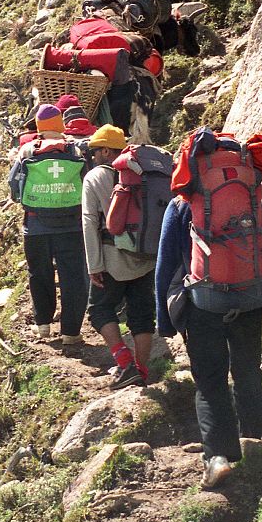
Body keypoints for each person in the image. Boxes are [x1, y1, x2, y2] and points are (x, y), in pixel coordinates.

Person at [155, 128, 262, 489]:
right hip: (251, 296)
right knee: (249, 370)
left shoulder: (182, 204)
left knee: (209, 381)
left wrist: (165, 320)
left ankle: (218, 457)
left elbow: (165, 265)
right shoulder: (252, 201)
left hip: (204, 301)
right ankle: (253, 439)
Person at [81, 125, 160, 389]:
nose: (92, 156)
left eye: (95, 151)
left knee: (99, 310)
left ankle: (125, 364)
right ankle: (142, 371)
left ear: (106, 150)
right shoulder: (143, 172)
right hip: (146, 256)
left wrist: (94, 264)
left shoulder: (95, 177)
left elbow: (89, 222)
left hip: (111, 258)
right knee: (143, 315)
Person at [6, 104, 89, 346]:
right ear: (61, 125)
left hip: (36, 226)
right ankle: (71, 332)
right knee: (73, 277)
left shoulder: (27, 151)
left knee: (39, 274)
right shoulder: (75, 151)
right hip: (71, 226)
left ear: (40, 127)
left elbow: (14, 187)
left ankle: (43, 326)